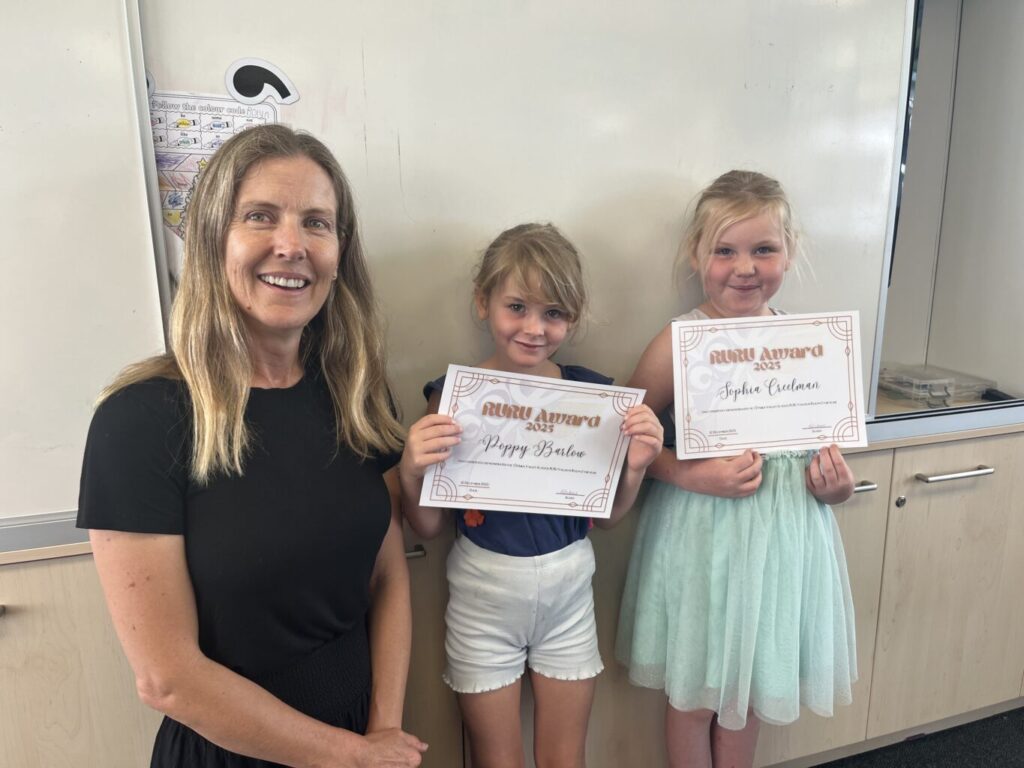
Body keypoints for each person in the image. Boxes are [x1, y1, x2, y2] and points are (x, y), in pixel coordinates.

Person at [78, 124, 428, 768]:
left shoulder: (356, 394)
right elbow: (167, 679)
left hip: (362, 734)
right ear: (214, 239)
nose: (291, 246)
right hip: (234, 753)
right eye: (260, 216)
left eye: (316, 223)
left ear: (339, 252)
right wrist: (351, 757)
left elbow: (388, 573)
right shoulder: (138, 421)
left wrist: (381, 731)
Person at [615, 170, 858, 768]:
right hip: (705, 541)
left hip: (783, 542)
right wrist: (689, 474)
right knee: (696, 694)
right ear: (696, 254)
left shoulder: (810, 345)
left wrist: (837, 487)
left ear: (788, 252)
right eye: (725, 250)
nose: (744, 268)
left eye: (763, 249)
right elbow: (622, 441)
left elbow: (827, 459)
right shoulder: (679, 342)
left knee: (749, 689)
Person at [398, 223, 663, 768]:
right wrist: (409, 471)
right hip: (482, 598)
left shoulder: (593, 397)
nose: (534, 328)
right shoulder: (452, 399)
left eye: (554, 313)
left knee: (565, 759)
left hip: (569, 595)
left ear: (573, 316)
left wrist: (635, 469)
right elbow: (428, 527)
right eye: (517, 307)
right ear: (483, 303)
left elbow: (607, 518)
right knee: (498, 760)